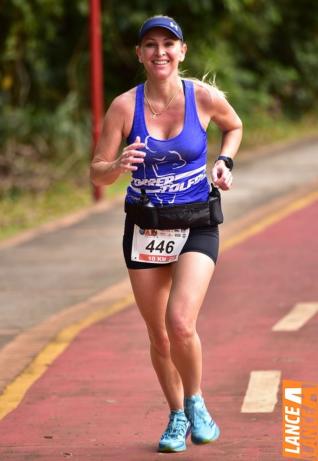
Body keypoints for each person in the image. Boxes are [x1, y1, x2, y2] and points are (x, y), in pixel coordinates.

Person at [90, 15, 243, 453]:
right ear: (139, 54)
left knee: (180, 322)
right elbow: (96, 173)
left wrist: (225, 161)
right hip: (145, 228)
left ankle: (195, 403)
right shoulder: (124, 107)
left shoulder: (203, 97)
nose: (160, 52)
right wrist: (118, 166)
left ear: (182, 52)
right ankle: (176, 415)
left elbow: (233, 126)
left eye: (168, 44)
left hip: (197, 222)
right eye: (151, 45)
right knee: (158, 334)